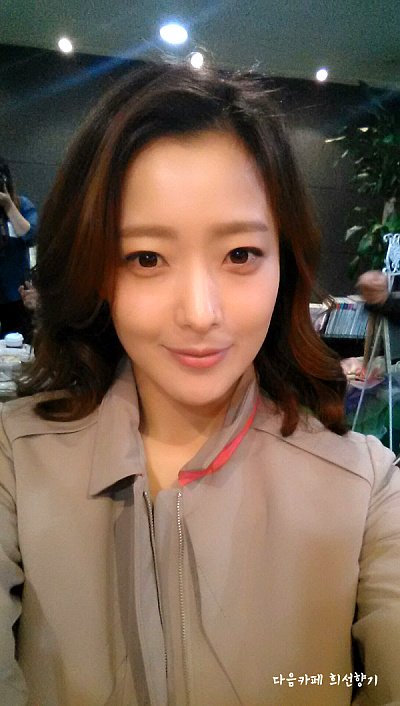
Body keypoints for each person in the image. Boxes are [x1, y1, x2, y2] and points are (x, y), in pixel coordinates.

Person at [0, 62, 399, 706]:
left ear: (285, 265)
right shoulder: (13, 461)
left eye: (240, 255)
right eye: (146, 258)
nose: (199, 313)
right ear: (96, 269)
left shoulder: (367, 486)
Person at [0, 159, 37, 340]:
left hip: (16, 295)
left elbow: (31, 236)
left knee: (17, 344)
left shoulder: (22, 206)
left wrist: (8, 206)